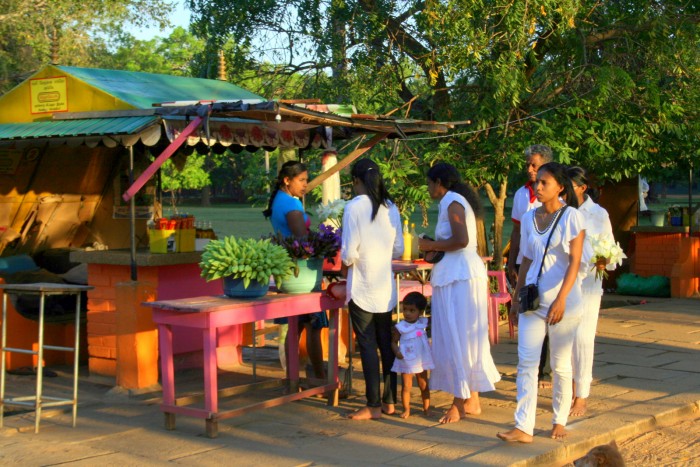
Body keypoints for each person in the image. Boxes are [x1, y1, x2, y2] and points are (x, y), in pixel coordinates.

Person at [497, 162, 586, 443]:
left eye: (545, 182)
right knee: (526, 363)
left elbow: (574, 262)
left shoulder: (572, 217)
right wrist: (514, 299)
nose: (538, 186)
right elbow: (526, 260)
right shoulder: (528, 217)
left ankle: (559, 420)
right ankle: (523, 426)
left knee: (560, 365)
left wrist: (561, 299)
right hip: (532, 302)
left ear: (560, 187)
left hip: (564, 301)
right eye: (538, 182)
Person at [418, 162, 501, 424]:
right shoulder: (454, 200)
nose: (428, 188)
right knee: (465, 335)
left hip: (459, 277)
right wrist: (434, 247)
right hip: (459, 274)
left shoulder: (452, 200)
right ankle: (471, 398)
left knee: (458, 335)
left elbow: (461, 240)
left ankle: (459, 403)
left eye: (430, 183)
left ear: (439, 182)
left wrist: (428, 244)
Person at [341, 158, 404, 420]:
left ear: (356, 181)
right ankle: (390, 401)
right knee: (385, 344)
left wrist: (349, 262)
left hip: (362, 286)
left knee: (367, 345)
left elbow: (348, 254)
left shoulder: (354, 207)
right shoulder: (391, 207)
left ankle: (373, 404)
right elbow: (399, 249)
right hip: (384, 287)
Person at [263, 160, 327, 380]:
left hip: (287, 273)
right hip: (302, 275)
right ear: (287, 180)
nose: (305, 185)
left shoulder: (280, 200)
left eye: (306, 180)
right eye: (301, 180)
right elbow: (302, 238)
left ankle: (293, 379)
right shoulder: (291, 205)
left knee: (295, 326)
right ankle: (319, 377)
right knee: (313, 326)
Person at [567, 166, 616, 417]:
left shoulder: (598, 214)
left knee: (584, 338)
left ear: (582, 188)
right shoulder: (560, 211)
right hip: (564, 281)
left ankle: (581, 394)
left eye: (569, 186)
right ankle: (567, 389)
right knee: (565, 337)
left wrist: (605, 260)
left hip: (589, 283)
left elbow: (610, 248)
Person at [507, 144, 554, 389]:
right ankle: (528, 365)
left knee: (545, 315)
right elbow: (516, 231)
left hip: (548, 265)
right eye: (528, 164)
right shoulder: (521, 194)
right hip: (525, 262)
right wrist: (510, 261)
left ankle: (544, 370)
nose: (529, 169)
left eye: (534, 165)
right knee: (526, 311)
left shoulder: (559, 198)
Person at [390, 291, 434, 419]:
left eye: (412, 310)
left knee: (424, 385)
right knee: (406, 386)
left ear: (420, 312)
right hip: (407, 359)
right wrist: (397, 351)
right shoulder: (401, 327)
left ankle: (426, 408)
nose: (407, 313)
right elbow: (393, 342)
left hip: (421, 359)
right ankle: (406, 409)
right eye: (405, 309)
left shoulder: (422, 323)